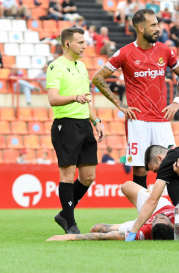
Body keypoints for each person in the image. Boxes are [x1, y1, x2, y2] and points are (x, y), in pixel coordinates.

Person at [92, 9, 179, 206]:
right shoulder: (126, 53)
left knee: (171, 167)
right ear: (141, 28)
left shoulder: (165, 50)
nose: (158, 28)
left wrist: (176, 102)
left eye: (157, 24)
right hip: (138, 121)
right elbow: (97, 78)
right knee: (140, 170)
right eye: (153, 25)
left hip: (162, 120)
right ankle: (143, 217)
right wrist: (120, 105)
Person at [46, 27, 105, 234]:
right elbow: (53, 99)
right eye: (80, 42)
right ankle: (70, 224)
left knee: (88, 176)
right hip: (65, 125)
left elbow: (84, 99)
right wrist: (74, 98)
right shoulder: (56, 67)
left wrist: (96, 120)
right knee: (68, 174)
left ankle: (64, 214)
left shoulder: (81, 66)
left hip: (84, 124)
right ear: (67, 44)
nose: (84, 46)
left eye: (85, 42)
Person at [47, 181, 179, 241]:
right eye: (162, 218)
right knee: (126, 186)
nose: (157, 217)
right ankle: (146, 200)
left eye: (156, 219)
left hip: (139, 223)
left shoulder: (145, 231)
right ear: (173, 225)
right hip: (160, 205)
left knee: (97, 228)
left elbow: (108, 235)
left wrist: (68, 237)